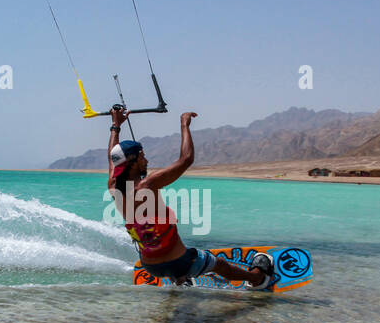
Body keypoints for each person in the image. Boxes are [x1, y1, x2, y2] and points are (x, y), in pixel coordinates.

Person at [107, 106, 274, 289]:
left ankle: (180, 280)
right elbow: (186, 159)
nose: (146, 161)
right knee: (218, 264)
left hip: (150, 267)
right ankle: (257, 279)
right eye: (142, 157)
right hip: (181, 262)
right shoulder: (148, 184)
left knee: (157, 235)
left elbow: (112, 158)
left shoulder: (113, 187)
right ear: (132, 163)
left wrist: (115, 126)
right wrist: (184, 124)